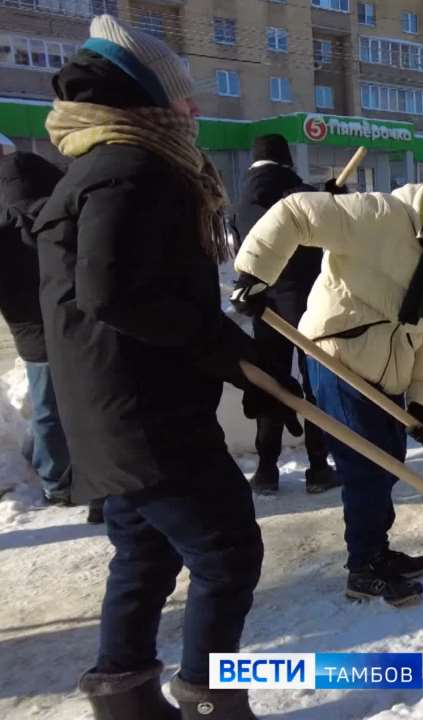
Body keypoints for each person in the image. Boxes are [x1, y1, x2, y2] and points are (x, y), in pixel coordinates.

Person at [34, 15, 302, 719]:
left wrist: (238, 360)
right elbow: (113, 292)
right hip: (146, 414)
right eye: (182, 95)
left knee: (145, 554)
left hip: (118, 408)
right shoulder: (132, 167)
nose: (193, 108)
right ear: (146, 99)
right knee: (227, 553)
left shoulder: (102, 163)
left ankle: (125, 702)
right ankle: (209, 701)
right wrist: (230, 353)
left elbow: (133, 292)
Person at [233, 165, 423, 607]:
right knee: (366, 467)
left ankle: (376, 548)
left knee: (389, 462)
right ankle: (363, 567)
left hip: (389, 370)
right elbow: (296, 212)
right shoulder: (379, 214)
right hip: (337, 356)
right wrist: (254, 275)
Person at [232, 134, 339, 495]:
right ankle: (319, 467)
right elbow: (316, 212)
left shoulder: (243, 197)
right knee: (314, 384)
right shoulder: (291, 188)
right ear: (286, 159)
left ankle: (266, 470)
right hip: (304, 300)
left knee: (271, 381)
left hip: (264, 303)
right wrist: (330, 194)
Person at [0, 152, 80, 514]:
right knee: (69, 403)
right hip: (67, 324)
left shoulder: (5, 225)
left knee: (46, 403)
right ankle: (60, 479)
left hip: (29, 330)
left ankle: (49, 471)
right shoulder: (57, 218)